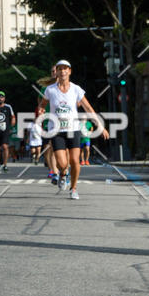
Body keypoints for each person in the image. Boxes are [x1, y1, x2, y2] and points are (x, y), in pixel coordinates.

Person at [38, 60, 109, 199]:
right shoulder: (50, 90)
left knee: (75, 161)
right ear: (57, 72)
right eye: (60, 69)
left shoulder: (76, 89)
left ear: (69, 71)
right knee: (62, 163)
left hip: (73, 129)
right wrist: (40, 111)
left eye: (65, 69)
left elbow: (88, 108)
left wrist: (99, 125)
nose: (63, 71)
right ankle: (63, 174)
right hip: (56, 130)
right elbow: (42, 104)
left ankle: (74, 188)